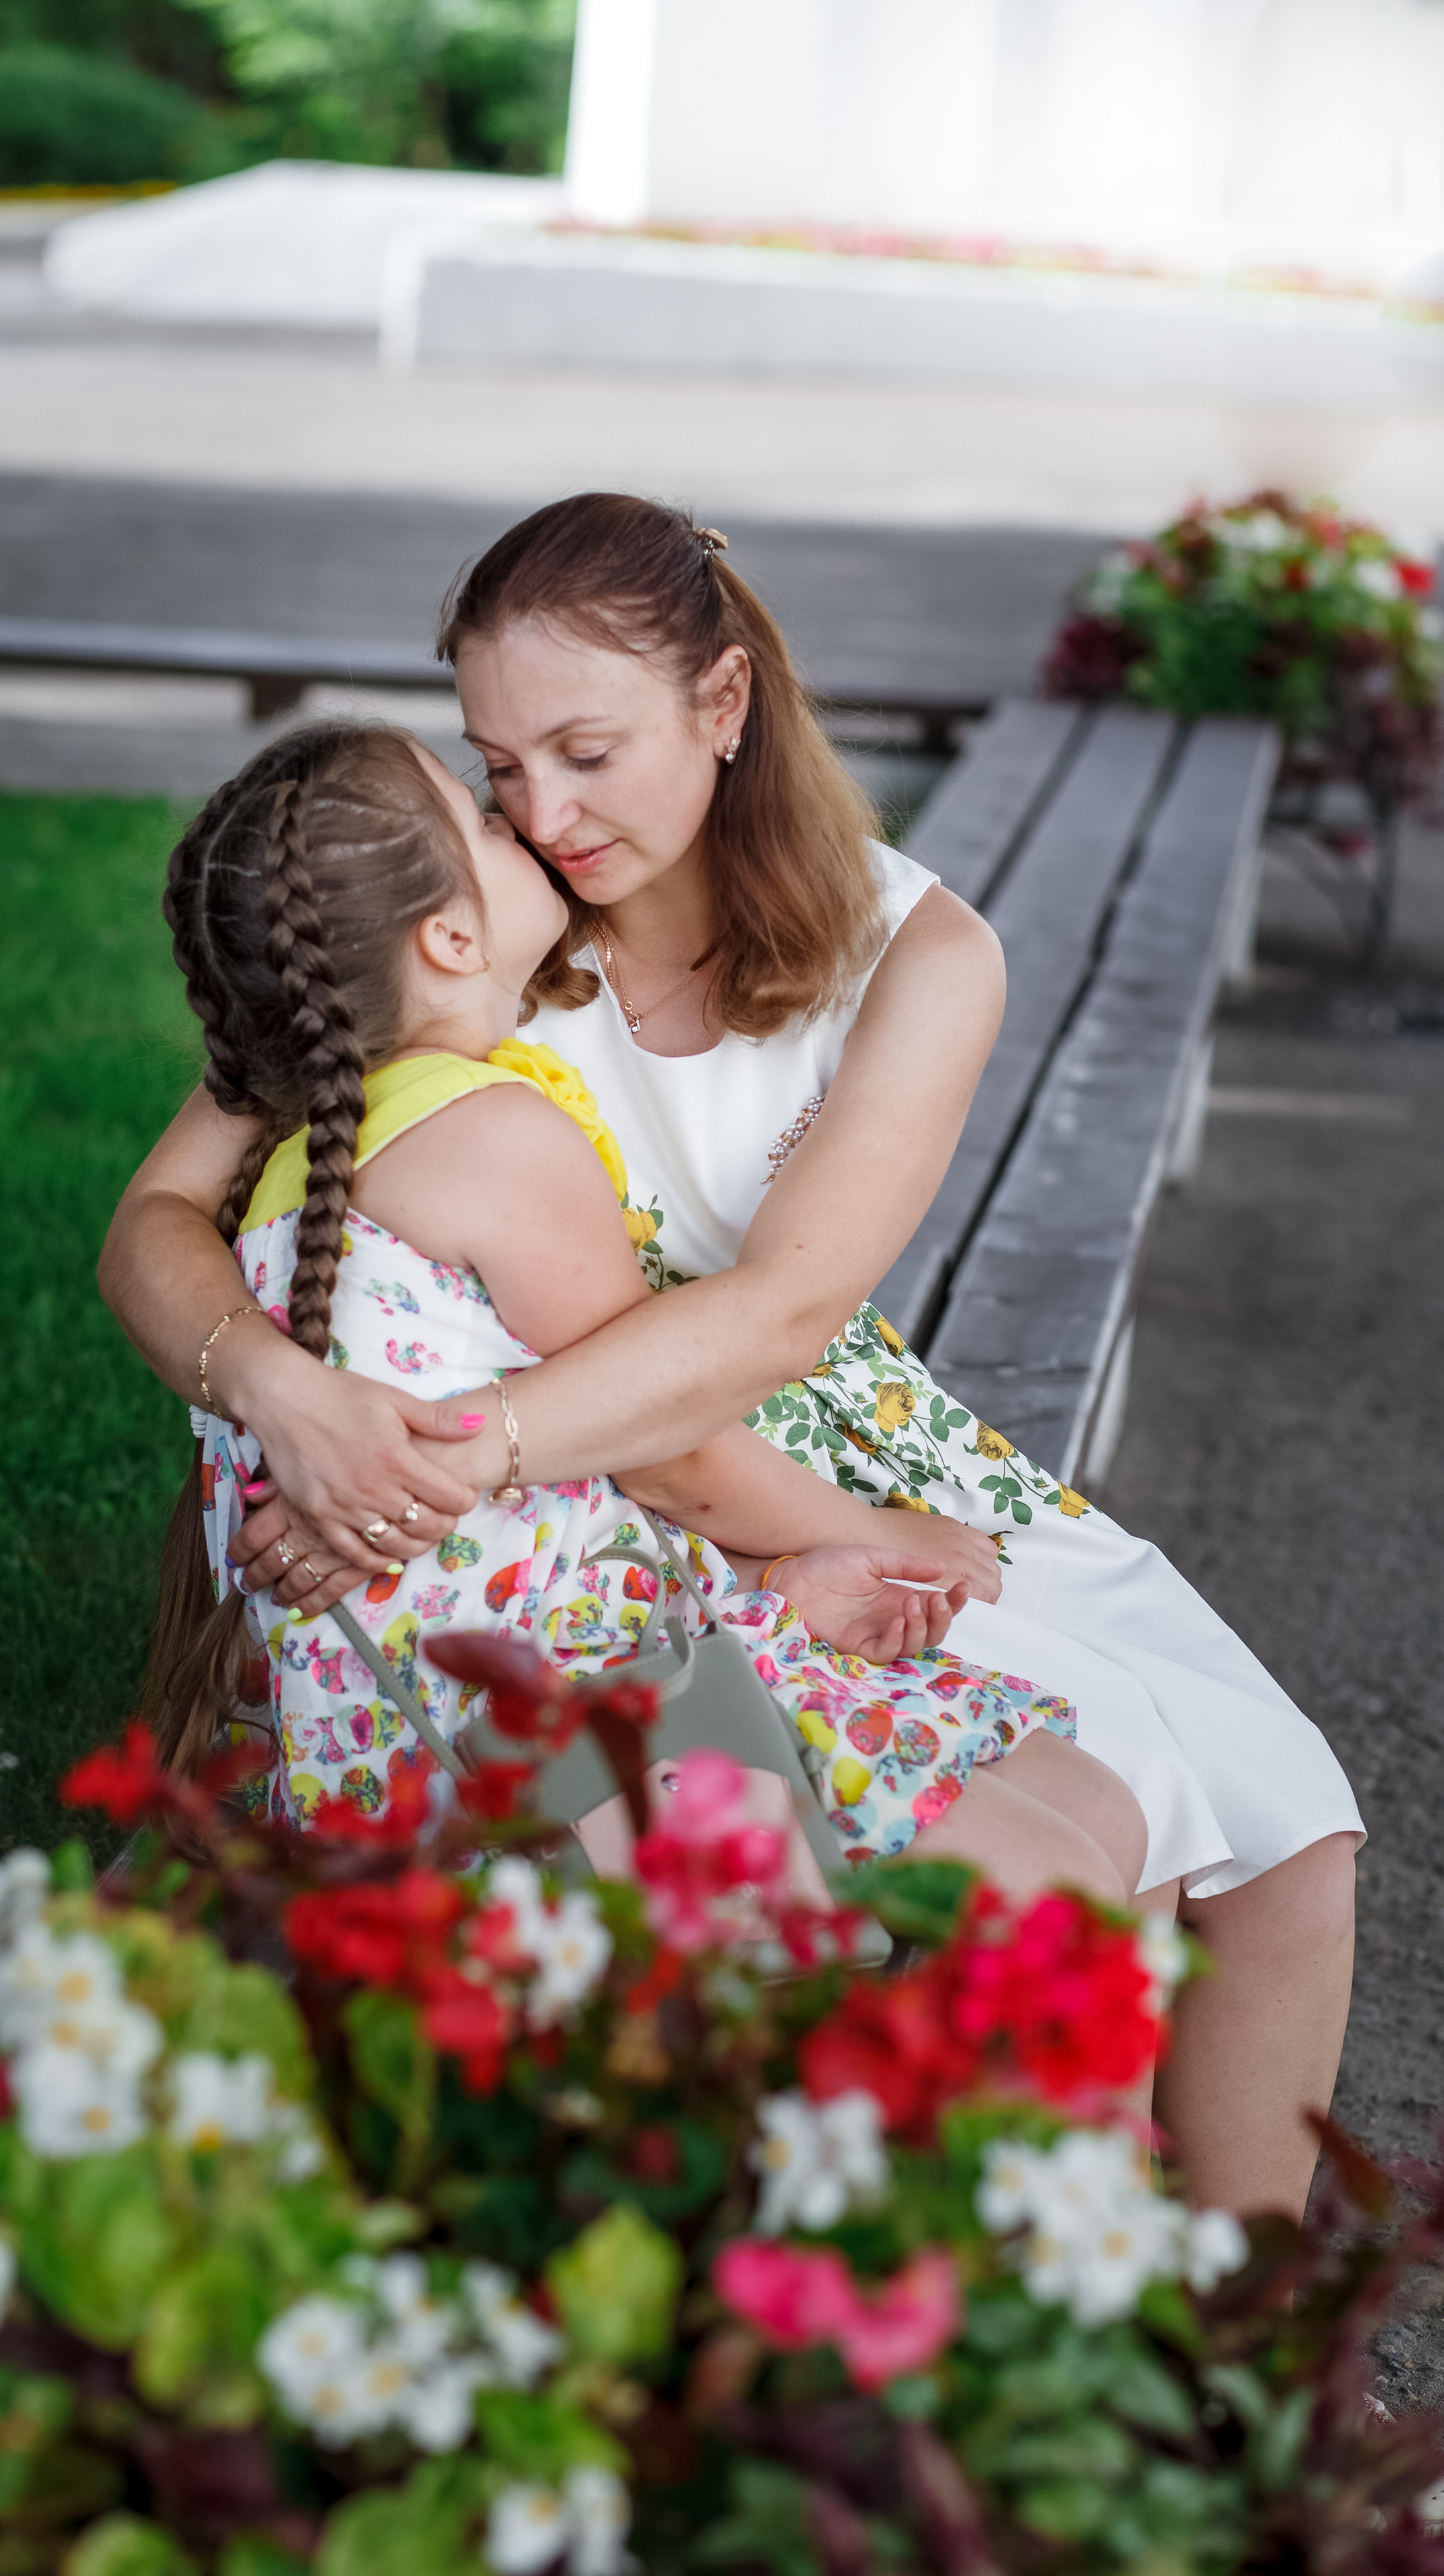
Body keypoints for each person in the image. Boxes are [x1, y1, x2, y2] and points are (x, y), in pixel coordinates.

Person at [101, 496, 1360, 2218]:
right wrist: (285, 1394)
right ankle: (1067, 2263)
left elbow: (774, 1323)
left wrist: (449, 1452)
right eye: (497, 765)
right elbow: (154, 1220)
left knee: (1290, 1823)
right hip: (601, 1503)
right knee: (1114, 1774)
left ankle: (1252, 2315)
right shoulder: (453, 920)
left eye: (584, 753)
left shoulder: (913, 952)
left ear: (722, 701)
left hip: (792, 1434)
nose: (542, 814)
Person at [148, 714, 1142, 1915]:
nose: (513, 818)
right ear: (452, 939)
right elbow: (668, 1453)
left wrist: (780, 1578)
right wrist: (883, 1530)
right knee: (1080, 1876)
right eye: (479, 816)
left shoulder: (311, 1155)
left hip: (474, 1688)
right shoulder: (493, 1142)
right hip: (541, 1739)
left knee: (1099, 1815)